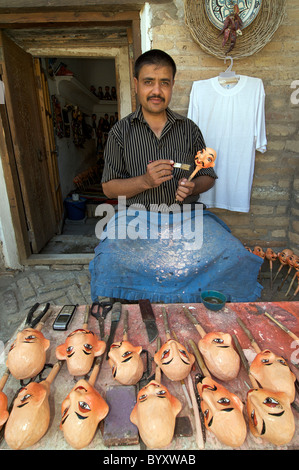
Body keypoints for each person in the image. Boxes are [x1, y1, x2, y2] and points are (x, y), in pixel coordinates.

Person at [89, 49, 263, 303]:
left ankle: (212, 309)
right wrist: (145, 181)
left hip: (187, 217)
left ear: (172, 86)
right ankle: (127, 306)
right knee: (109, 259)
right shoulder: (120, 132)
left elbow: (208, 176)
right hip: (136, 218)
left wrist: (192, 187)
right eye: (149, 82)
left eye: (164, 83)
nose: (156, 91)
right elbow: (108, 189)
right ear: (136, 85)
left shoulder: (190, 129)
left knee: (232, 253)